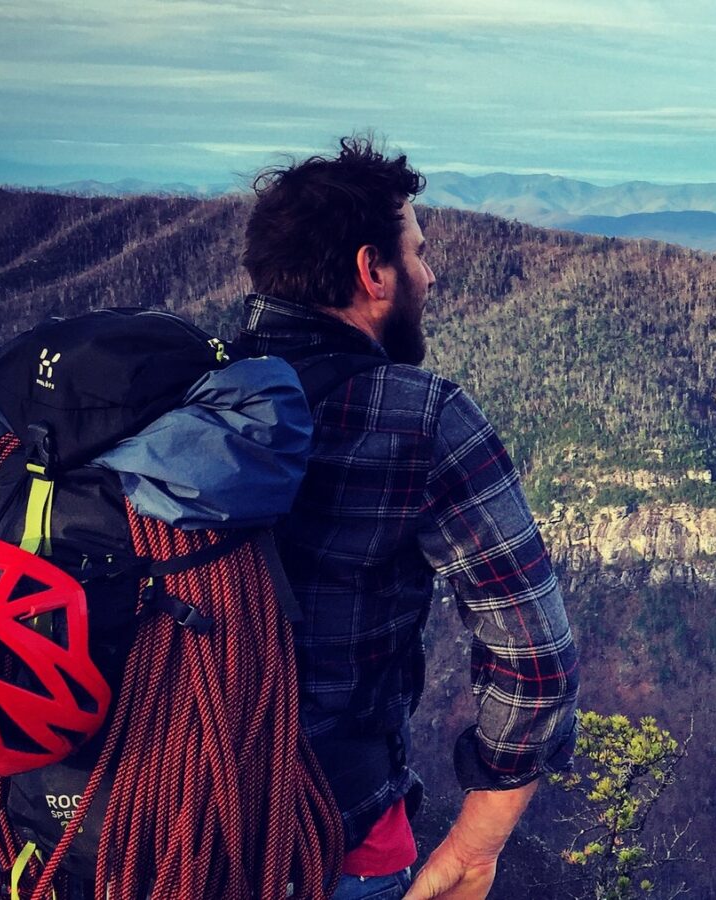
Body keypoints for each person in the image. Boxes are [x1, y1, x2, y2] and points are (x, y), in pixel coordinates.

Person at [234, 136, 580, 900]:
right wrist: (476, 841)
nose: (429, 272)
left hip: (126, 829)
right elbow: (537, 658)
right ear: (372, 270)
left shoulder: (182, 390)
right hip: (329, 837)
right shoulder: (418, 416)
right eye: (418, 253)